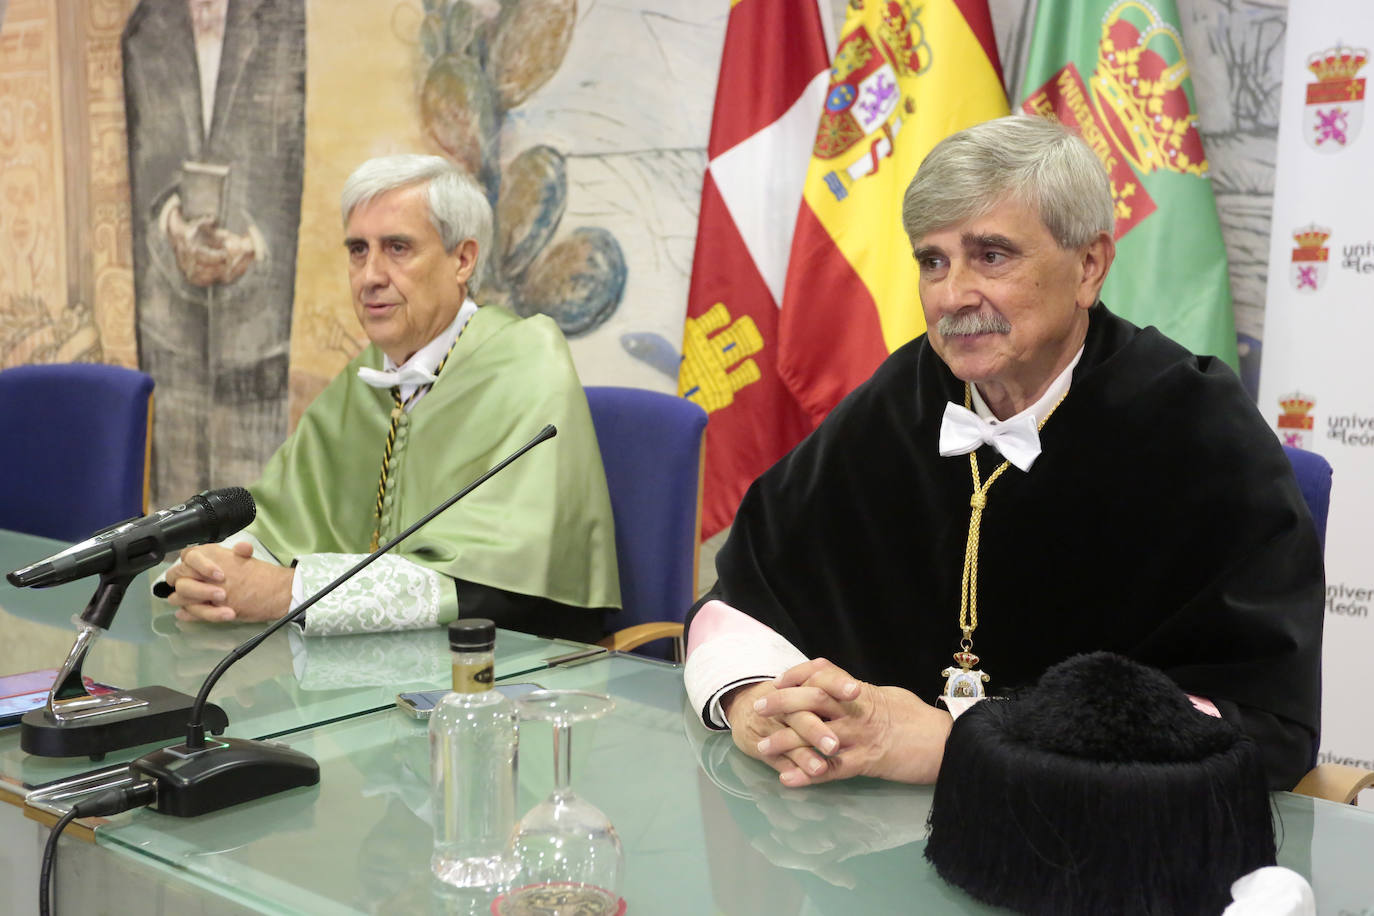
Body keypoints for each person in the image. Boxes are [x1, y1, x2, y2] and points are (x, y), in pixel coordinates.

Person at [683, 114, 1323, 792]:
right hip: (869, 837)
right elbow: (750, 591)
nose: (953, 295)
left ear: (1089, 266)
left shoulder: (1197, 426)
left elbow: (1255, 722)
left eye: (991, 255)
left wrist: (963, 743)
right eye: (933, 261)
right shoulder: (901, 396)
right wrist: (756, 699)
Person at [160, 154, 621, 640]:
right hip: (356, 669)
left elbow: (504, 587)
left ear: (462, 259)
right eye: (358, 250)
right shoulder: (365, 375)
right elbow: (279, 521)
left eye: (397, 248)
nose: (370, 276)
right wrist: (213, 573)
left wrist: (286, 592)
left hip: (501, 672)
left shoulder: (525, 359)